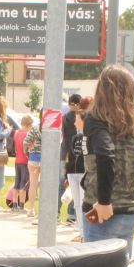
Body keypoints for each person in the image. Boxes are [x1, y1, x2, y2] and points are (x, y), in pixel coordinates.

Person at [81, 66, 134, 256]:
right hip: (128, 213)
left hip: (101, 212)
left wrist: (104, 201)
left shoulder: (95, 119)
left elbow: (106, 155)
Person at [66, 96, 91, 242]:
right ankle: (80, 231)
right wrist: (67, 172)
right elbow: (71, 154)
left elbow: (87, 157)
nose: (75, 122)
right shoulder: (75, 137)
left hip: (82, 172)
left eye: (77, 120)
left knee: (82, 202)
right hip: (72, 172)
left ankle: (84, 233)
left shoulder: (88, 137)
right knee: (76, 203)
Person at [61, 94, 83, 224]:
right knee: (76, 188)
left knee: (63, 185)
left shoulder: (64, 117)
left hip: (65, 154)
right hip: (75, 156)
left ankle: (57, 213)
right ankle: (72, 215)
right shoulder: (79, 118)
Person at [24, 115, 43, 221]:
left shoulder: (34, 129)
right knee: (44, 185)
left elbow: (25, 142)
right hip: (45, 159)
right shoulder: (51, 129)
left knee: (33, 184)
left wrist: (29, 150)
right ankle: (43, 210)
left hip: (33, 157)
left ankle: (31, 209)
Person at [11, 115, 32, 212]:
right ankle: (22, 206)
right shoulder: (27, 134)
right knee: (23, 184)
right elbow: (28, 148)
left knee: (17, 183)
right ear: (29, 125)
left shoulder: (16, 133)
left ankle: (14, 204)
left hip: (17, 161)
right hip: (25, 161)